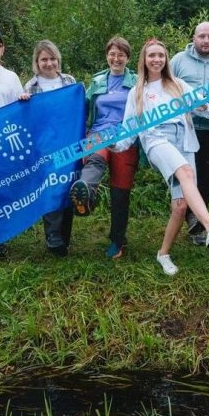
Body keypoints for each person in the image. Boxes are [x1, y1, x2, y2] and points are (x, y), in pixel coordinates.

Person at [113, 38, 209, 276]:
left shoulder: (177, 85)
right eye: (152, 56)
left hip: (185, 139)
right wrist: (113, 148)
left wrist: (203, 108)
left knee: (180, 206)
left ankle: (163, 254)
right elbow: (128, 129)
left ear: (166, 59)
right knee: (187, 172)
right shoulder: (137, 92)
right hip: (157, 139)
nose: (156, 59)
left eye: (161, 55)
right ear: (144, 60)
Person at [68, 37, 140, 259]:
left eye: (121, 54)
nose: (116, 58)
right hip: (98, 133)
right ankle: (86, 196)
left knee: (120, 191)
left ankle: (117, 240)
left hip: (125, 137)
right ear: (107, 56)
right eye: (112, 54)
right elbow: (82, 105)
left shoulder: (138, 82)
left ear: (127, 58)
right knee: (94, 160)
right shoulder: (97, 81)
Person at [170, 22, 209, 244]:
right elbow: (166, 87)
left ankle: (197, 226)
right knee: (184, 176)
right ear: (193, 37)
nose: (206, 40)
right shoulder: (177, 61)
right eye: (202, 36)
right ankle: (180, 216)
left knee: (204, 178)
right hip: (183, 128)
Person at [19, 40, 77, 257]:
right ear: (37, 61)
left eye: (52, 58)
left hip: (68, 141)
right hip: (44, 145)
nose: (49, 63)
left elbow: (77, 108)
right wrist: (23, 102)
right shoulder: (30, 86)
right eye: (44, 59)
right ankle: (53, 235)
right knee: (50, 186)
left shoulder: (69, 81)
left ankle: (65, 235)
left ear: (58, 59)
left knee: (67, 186)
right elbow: (26, 118)